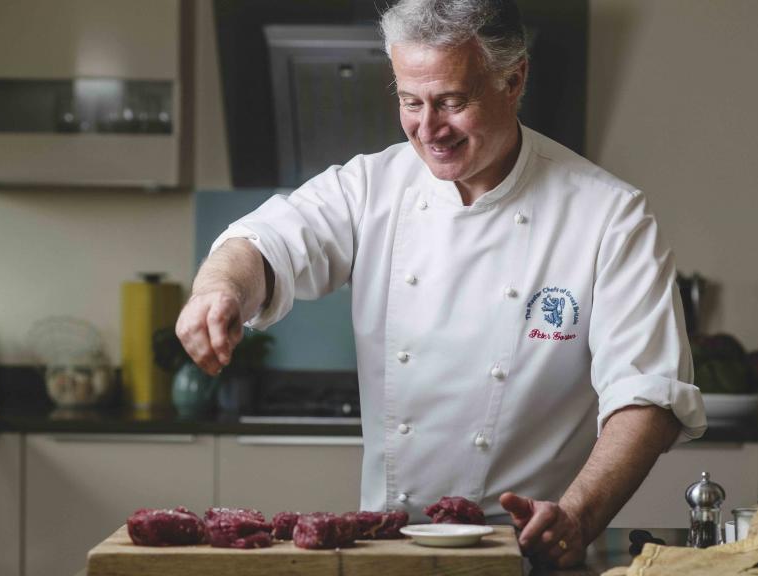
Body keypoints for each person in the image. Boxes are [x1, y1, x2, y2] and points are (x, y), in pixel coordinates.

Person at [176, 0, 706, 567]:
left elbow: (647, 396)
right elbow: (265, 242)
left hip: (530, 556)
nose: (428, 129)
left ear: (514, 78)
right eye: (410, 101)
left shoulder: (608, 215)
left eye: (452, 101)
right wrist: (220, 288)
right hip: (387, 554)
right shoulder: (372, 187)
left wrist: (577, 516)